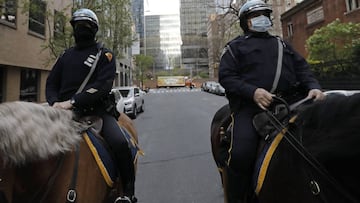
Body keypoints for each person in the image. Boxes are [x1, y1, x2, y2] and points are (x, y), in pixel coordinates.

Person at [218, 0, 325, 202]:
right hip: (251, 109)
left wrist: (314, 87)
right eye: (256, 16)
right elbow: (227, 77)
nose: (262, 19)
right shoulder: (234, 48)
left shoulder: (283, 44)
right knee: (241, 154)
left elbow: (303, 70)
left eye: (265, 15)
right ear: (246, 22)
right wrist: (253, 92)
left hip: (291, 104)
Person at [46, 8, 137, 203]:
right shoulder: (65, 56)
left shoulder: (105, 55)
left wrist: (71, 103)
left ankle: (127, 193)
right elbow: (52, 83)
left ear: (94, 29)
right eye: (78, 26)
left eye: (86, 26)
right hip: (62, 114)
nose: (82, 29)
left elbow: (102, 87)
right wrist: (54, 103)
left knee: (121, 143)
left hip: (97, 113)